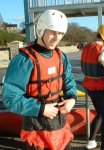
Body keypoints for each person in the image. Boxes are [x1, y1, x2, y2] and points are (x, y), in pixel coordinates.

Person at [2, 9, 77, 150]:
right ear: (41, 30)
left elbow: (69, 80)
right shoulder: (23, 61)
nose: (57, 38)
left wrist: (72, 98)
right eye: (52, 32)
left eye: (60, 33)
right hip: (35, 125)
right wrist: (41, 109)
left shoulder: (61, 57)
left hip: (59, 123)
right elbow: (10, 98)